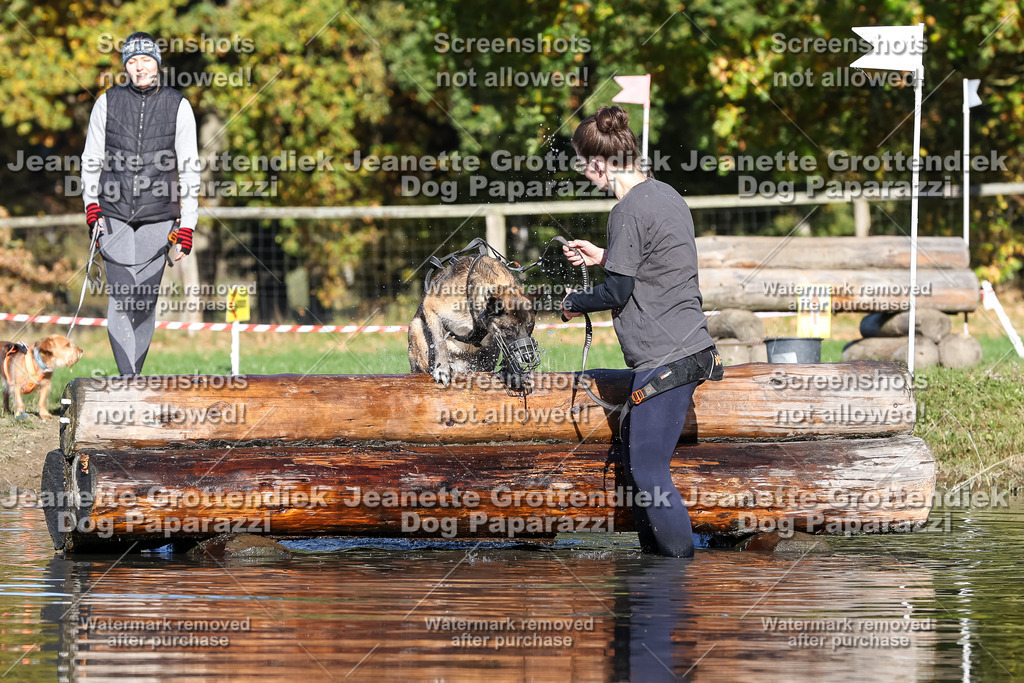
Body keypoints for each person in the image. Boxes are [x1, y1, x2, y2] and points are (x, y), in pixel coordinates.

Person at [561, 105, 720, 558]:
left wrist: (574, 303)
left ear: (597, 163)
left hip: (667, 357)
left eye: (582, 163)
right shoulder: (665, 194)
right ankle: (656, 574)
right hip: (688, 349)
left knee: (649, 470)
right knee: (638, 468)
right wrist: (605, 255)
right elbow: (653, 264)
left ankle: (679, 572)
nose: (583, 173)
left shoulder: (625, 209)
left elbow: (617, 292)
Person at [81, 31, 200, 376]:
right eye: (132, 61)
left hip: (159, 215)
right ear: (126, 67)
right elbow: (91, 158)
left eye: (146, 60)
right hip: (112, 214)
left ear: (158, 64)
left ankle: (133, 382)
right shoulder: (107, 102)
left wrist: (188, 225)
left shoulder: (179, 105)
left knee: (144, 303)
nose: (139, 67)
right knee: (122, 297)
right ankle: (129, 383)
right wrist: (92, 204)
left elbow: (189, 166)